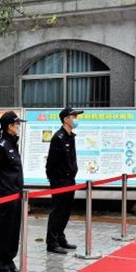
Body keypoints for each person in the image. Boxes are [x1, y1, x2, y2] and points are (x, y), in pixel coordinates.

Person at [0, 111, 26, 272]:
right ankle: (1, 264)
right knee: (4, 230)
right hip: (6, 194)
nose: (18, 127)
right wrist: (0, 192)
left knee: (13, 230)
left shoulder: (12, 144)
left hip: (16, 194)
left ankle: (9, 260)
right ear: (9, 126)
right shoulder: (1, 146)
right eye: (16, 124)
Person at [45, 107, 83, 254]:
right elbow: (51, 163)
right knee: (57, 211)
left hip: (70, 179)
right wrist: (54, 181)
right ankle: (52, 242)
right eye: (74, 117)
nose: (76, 119)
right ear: (66, 119)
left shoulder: (70, 136)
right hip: (60, 181)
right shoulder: (58, 137)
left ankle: (61, 238)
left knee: (66, 211)